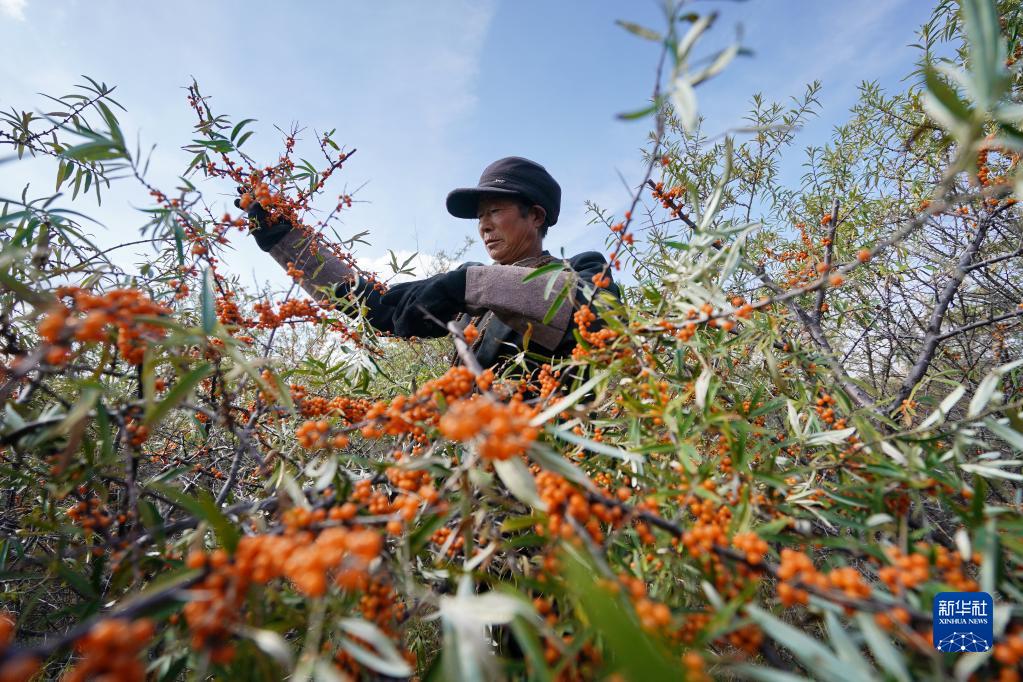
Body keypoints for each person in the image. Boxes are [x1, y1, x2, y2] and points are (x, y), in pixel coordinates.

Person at [245, 156, 620, 372]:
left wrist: (471, 284)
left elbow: (595, 316)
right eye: (479, 217)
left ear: (535, 216)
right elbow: (375, 304)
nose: (484, 225)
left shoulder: (580, 268)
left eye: (495, 211)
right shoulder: (471, 290)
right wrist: (288, 241)